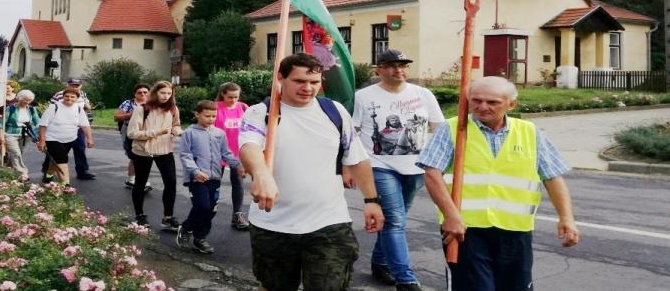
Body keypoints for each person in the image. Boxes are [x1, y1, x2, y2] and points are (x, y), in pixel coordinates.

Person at [418, 76, 581, 291]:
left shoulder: (529, 132)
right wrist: (451, 216)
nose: (482, 107)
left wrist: (566, 218)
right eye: (476, 100)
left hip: (516, 231)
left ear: (511, 104)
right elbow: (431, 173)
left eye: (492, 102)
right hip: (466, 229)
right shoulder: (453, 129)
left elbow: (552, 177)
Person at [239, 53, 384, 291]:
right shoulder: (261, 112)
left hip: (329, 223)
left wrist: (371, 200)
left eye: (314, 82)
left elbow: (357, 159)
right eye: (299, 81)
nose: (308, 88)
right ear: (280, 78)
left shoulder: (334, 112)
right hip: (273, 225)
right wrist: (262, 174)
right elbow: (248, 146)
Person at [352, 49, 445, 291]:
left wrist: (441, 159)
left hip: (416, 167)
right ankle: (406, 279)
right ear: (379, 70)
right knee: (395, 221)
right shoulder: (363, 97)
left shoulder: (423, 94)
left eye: (403, 65)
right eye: (392, 65)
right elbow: (351, 133)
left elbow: (440, 128)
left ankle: (380, 262)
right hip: (379, 165)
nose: (398, 70)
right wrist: (349, 166)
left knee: (396, 217)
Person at [176, 100, 242, 254]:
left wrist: (238, 165)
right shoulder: (189, 133)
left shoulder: (219, 133)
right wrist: (195, 171)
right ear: (197, 114)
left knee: (211, 209)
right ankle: (186, 228)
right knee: (202, 206)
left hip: (214, 178)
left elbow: (226, 153)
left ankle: (200, 238)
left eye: (214, 116)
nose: (211, 119)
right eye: (207, 116)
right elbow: (185, 155)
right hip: (197, 178)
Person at [127, 80, 182, 230]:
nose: (166, 96)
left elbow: (176, 125)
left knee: (171, 183)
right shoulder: (142, 109)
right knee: (140, 183)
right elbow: (132, 133)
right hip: (143, 152)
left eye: (169, 93)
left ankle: (168, 217)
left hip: (164, 150)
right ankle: (140, 216)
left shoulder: (173, 108)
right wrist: (157, 132)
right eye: (162, 93)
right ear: (155, 93)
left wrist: (178, 132)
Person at [38, 87, 93, 185]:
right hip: (52, 138)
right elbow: (43, 125)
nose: (69, 98)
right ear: (63, 97)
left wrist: (89, 138)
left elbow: (85, 125)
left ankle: (49, 173)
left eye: (73, 97)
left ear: (77, 98)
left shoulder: (78, 109)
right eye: (67, 96)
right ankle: (65, 184)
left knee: (56, 158)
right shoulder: (54, 107)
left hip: (70, 138)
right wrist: (42, 140)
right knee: (62, 159)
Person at [214, 82, 250, 230]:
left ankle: (238, 215)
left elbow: (249, 129)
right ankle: (207, 210)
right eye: (230, 97)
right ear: (223, 94)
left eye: (236, 97)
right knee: (213, 184)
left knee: (238, 184)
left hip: (237, 154)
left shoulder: (243, 107)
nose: (234, 100)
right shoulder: (215, 107)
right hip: (218, 152)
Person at [49, 78, 96, 180]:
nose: (75, 87)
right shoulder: (59, 95)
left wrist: (82, 101)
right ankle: (48, 172)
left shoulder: (82, 94)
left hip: (78, 126)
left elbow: (88, 107)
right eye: (72, 85)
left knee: (80, 148)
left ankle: (82, 171)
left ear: (81, 86)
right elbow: (51, 109)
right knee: (59, 151)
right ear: (67, 85)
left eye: (77, 85)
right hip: (61, 128)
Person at [113, 84, 152, 191]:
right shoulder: (128, 103)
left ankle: (141, 179)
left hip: (146, 131)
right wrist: (134, 114)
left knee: (146, 154)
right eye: (139, 92)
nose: (142, 94)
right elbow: (117, 117)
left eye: (145, 92)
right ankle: (132, 179)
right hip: (130, 130)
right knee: (134, 155)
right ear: (135, 94)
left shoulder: (152, 103)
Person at [0, 89, 39, 181]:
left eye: (29, 100)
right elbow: (1, 123)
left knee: (19, 154)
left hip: (25, 135)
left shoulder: (32, 109)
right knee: (16, 153)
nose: (27, 102)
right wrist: (1, 136)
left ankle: (8, 171)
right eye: (25, 99)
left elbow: (38, 122)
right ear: (19, 98)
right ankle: (23, 173)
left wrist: (38, 136)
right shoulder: (11, 108)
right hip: (10, 134)